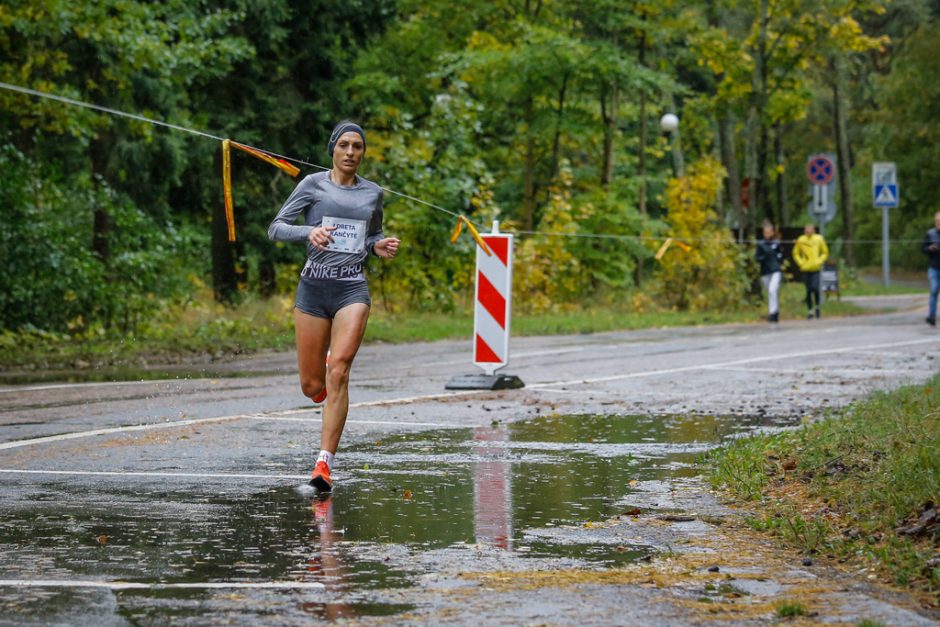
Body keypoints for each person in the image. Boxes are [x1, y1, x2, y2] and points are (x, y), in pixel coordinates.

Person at [268, 121, 400, 492]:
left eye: (357, 146)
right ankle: (325, 386)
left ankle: (323, 464)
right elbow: (276, 227)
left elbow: (370, 235)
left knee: (339, 371)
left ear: (363, 153)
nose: (350, 152)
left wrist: (378, 246)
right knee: (313, 386)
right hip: (313, 288)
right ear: (333, 149)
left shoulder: (373, 193)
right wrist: (308, 231)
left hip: (350, 290)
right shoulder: (312, 185)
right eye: (344, 145)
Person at [793, 223, 829, 319]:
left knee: (815, 288)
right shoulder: (801, 239)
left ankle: (817, 307)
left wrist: (819, 261)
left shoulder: (819, 239)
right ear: (805, 231)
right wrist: (801, 263)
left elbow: (825, 252)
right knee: (808, 290)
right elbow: (795, 253)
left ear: (813, 230)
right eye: (806, 230)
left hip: (815, 268)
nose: (808, 231)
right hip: (805, 269)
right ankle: (810, 311)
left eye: (810, 230)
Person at [755, 221, 784, 323]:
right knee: (770, 292)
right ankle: (774, 310)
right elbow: (757, 258)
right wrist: (763, 258)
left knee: (772, 290)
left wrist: (778, 259)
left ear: (772, 232)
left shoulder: (776, 243)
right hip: (765, 272)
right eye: (765, 233)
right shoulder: (761, 244)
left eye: (769, 232)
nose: (767, 235)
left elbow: (781, 255)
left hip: (775, 270)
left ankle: (773, 313)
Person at [922, 211, 940, 327]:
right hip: (934, 268)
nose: (939, 223)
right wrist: (929, 248)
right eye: (938, 221)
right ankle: (932, 316)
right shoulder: (930, 234)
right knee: (934, 290)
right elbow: (922, 248)